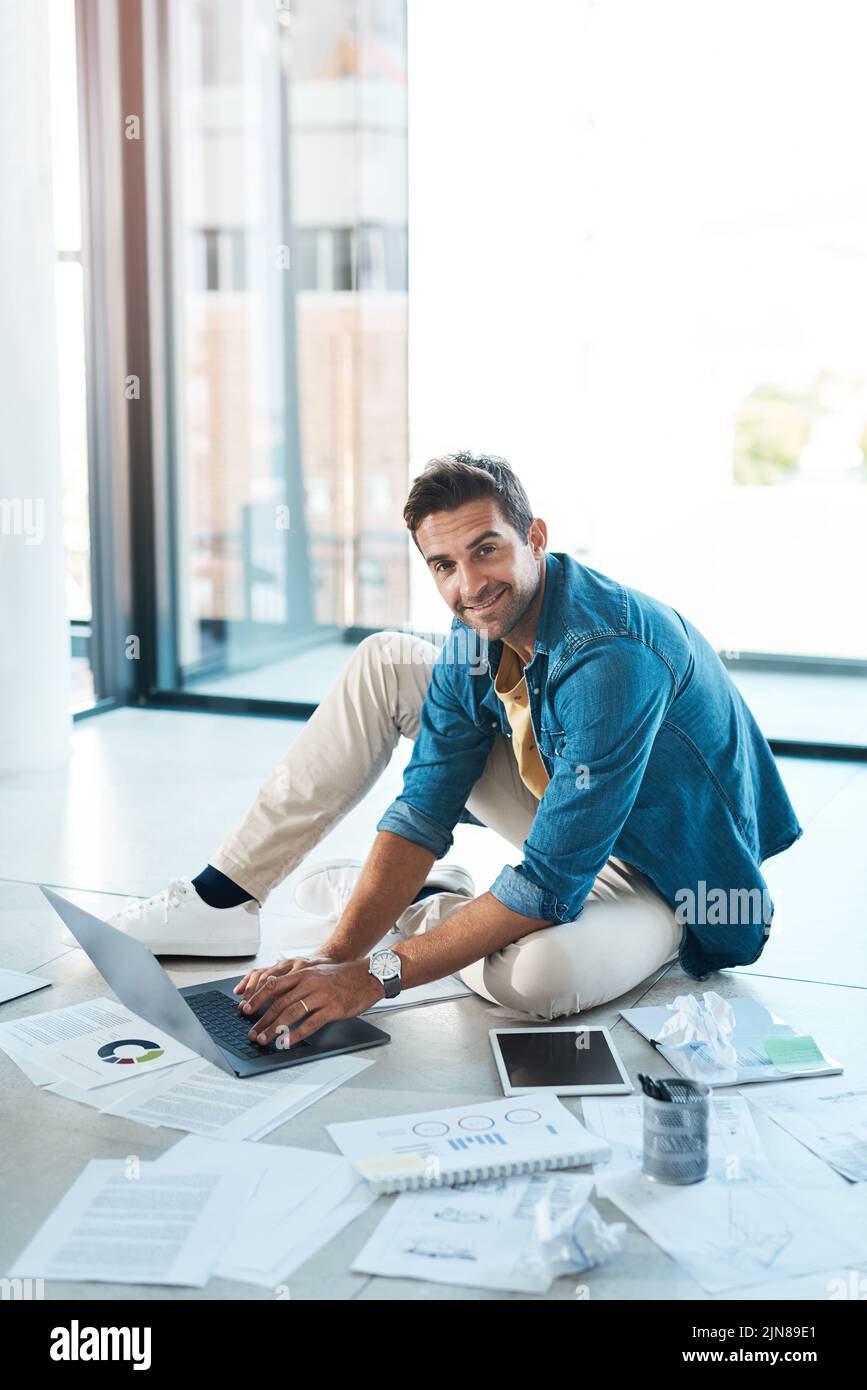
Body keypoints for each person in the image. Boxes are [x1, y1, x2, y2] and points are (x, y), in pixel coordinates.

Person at [107, 451, 802, 1050]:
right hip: (570, 811)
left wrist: (376, 975)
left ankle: (428, 908)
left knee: (538, 980)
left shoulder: (611, 658)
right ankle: (225, 898)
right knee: (385, 659)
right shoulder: (476, 628)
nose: (467, 586)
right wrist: (331, 957)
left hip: (667, 871)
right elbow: (424, 804)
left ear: (534, 537)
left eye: (486, 549)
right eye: (443, 564)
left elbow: (551, 884)